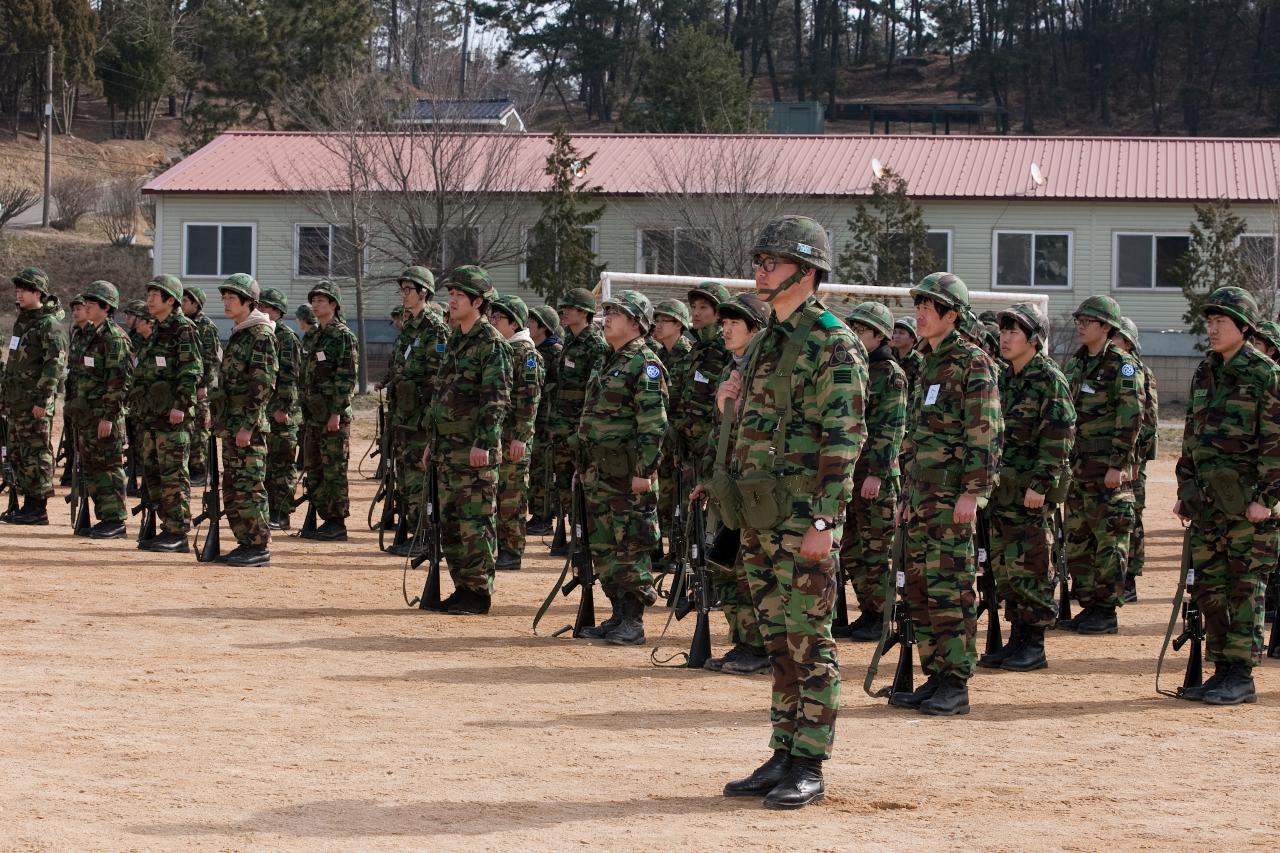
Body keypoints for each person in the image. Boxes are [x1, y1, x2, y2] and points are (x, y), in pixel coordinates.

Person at [720, 216, 865, 810]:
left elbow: (845, 436)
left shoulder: (833, 342)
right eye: (758, 259)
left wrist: (825, 522)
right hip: (762, 511)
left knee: (809, 638)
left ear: (805, 272)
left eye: (771, 262)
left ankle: (810, 760)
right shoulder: (766, 340)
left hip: (804, 515)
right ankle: (783, 750)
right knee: (777, 637)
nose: (759, 271)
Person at [889, 272, 1001, 716]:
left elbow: (986, 432)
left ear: (951, 315)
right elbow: (915, 439)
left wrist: (973, 492)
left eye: (927, 307)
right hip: (921, 499)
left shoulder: (972, 362)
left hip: (952, 499)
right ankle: (935, 675)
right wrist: (905, 496)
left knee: (951, 589)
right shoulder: (928, 362)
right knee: (919, 589)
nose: (918, 314)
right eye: (917, 305)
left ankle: (956, 681)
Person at [1174, 287, 1280, 705]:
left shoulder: (1265, 374)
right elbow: (1190, 438)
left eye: (1221, 321)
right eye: (1210, 321)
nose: (1213, 328)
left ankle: (1241, 674)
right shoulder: (1206, 371)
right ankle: (1221, 670)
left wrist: (1268, 498)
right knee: (1211, 590)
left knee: (1243, 589)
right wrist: (1185, 488)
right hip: (1208, 506)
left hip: (1248, 507)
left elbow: (1276, 442)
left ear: (1243, 327)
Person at [979, 302, 1074, 672]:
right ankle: (1017, 638)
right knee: (1007, 568)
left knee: (1032, 566)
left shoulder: (1049, 379)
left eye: (1013, 332)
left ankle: (1033, 644)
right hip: (1004, 492)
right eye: (1002, 331)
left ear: (1034, 339)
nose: (1004, 338)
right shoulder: (1006, 378)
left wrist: (1041, 484)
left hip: (1030, 495)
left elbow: (1059, 436)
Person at [573, 290, 669, 645]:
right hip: (600, 474)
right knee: (605, 548)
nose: (607, 318)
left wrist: (645, 471)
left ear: (636, 323)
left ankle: (634, 620)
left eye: (616, 313)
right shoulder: (607, 360)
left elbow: (654, 425)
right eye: (607, 311)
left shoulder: (645, 365)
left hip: (629, 477)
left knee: (630, 544)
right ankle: (617, 614)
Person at [422, 266, 512, 615]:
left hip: (473, 450)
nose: (453, 300)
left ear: (478, 301)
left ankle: (478, 592)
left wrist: (484, 444)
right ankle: (461, 587)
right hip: (448, 449)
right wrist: (434, 441)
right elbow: (443, 397)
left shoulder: (491, 344)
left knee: (475, 522)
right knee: (452, 523)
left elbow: (496, 399)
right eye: (451, 294)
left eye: (460, 295)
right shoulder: (456, 338)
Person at [1059, 295, 1143, 635]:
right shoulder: (1076, 364)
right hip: (1078, 468)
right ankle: (1090, 605)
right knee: (1080, 540)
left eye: (1088, 321)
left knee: (1109, 540)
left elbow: (1131, 416)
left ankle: (1106, 610)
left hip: (1106, 468)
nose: (1081, 326)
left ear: (1106, 328)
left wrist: (1118, 464)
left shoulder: (1121, 365)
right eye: (1079, 320)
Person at [697, 292, 771, 675]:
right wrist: (709, 480)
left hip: (755, 487)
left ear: (755, 329)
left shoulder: (765, 370)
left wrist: (736, 408)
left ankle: (758, 647)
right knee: (725, 563)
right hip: (729, 483)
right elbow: (720, 434)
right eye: (723, 323)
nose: (724, 329)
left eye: (734, 324)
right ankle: (743, 642)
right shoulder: (734, 368)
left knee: (750, 569)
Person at [837, 302, 904, 642]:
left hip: (875, 476)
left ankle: (883, 615)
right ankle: (869, 609)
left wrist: (878, 472)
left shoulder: (889, 373)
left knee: (877, 549)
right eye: (854, 328)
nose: (856, 334)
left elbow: (890, 428)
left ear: (880, 335)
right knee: (852, 545)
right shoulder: (855, 366)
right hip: (851, 471)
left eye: (862, 330)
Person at [129, 273, 203, 552]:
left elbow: (192, 371)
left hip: (172, 418)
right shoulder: (156, 330)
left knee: (173, 476)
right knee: (154, 475)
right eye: (148, 295)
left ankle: (178, 532)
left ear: (170, 300)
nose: (149, 300)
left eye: (154, 296)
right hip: (151, 417)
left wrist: (180, 406)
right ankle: (166, 527)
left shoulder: (183, 330)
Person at [210, 274, 278, 566]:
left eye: (232, 299)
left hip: (247, 427)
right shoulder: (240, 332)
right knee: (234, 484)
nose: (226, 303)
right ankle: (245, 541)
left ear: (248, 302)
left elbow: (262, 384)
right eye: (224, 298)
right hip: (232, 423)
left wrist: (247, 425)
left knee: (249, 485)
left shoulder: (260, 335)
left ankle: (258, 545)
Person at [384, 267, 449, 558]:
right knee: (405, 478)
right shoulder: (408, 327)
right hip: (403, 416)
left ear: (424, 292)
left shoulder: (435, 329)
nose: (404, 295)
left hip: (420, 419)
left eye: (409, 289)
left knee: (420, 479)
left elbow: (438, 379)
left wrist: (428, 418)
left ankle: (424, 535)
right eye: (402, 290)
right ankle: (414, 532)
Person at [65, 281, 133, 539]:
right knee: (92, 468)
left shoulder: (113, 337)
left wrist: (108, 416)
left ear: (106, 307)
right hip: (87, 416)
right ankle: (103, 516)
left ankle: (114, 519)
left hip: (105, 417)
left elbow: (119, 381)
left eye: (92, 303)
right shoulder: (90, 334)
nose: (87, 306)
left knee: (109, 467)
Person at [1, 267, 68, 525]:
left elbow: (54, 365)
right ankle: (25, 504)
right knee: (19, 453)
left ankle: (38, 508)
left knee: (37, 453)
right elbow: (14, 363)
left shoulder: (48, 325)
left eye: (22, 291)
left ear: (37, 292)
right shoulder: (23, 322)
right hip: (18, 403)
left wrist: (42, 400)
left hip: (35, 404)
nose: (18, 295)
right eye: (17, 291)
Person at [547, 287, 610, 556]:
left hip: (579, 428)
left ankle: (586, 538)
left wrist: (581, 429)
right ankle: (574, 533)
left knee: (583, 483)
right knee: (564, 484)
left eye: (570, 308)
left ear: (584, 313)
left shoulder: (596, 346)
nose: (565, 312)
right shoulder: (568, 342)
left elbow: (594, 392)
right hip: (561, 426)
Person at [297, 280, 358, 542]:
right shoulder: (312, 335)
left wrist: (336, 412)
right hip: (313, 415)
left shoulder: (343, 336)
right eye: (314, 299)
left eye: (321, 300)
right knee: (314, 467)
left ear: (333, 304)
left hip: (332, 417)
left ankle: (337, 522)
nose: (316, 304)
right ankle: (324, 516)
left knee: (333, 469)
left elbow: (346, 378)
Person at [490, 294, 544, 571]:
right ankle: (500, 546)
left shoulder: (527, 355)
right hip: (501, 436)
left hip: (515, 438)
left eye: (498, 317)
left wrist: (521, 437)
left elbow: (529, 400)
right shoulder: (503, 349)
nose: (493, 320)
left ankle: (511, 550)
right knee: (498, 494)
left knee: (512, 496)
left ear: (514, 323)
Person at [1114, 317, 1158, 602]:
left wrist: (1134, 460)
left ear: (1127, 342)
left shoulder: (1137, 371)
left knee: (1131, 519)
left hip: (1132, 461)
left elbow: (1148, 422)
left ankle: (1129, 577)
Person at [649, 298, 694, 562]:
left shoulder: (688, 355)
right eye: (656, 319)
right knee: (662, 500)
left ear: (678, 324)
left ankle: (679, 554)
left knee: (679, 499)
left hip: (679, 440)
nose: (657, 324)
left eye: (663, 320)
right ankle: (665, 551)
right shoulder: (658, 355)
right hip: (660, 439)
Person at [258, 288, 302, 530]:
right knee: (266, 465)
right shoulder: (262, 333)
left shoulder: (286, 337)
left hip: (281, 414)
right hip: (264, 411)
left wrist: (283, 407)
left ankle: (282, 513)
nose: (260, 311)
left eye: (264, 307)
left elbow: (291, 375)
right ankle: (268, 510)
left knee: (282, 466)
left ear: (276, 310)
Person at [526, 305, 563, 535]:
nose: (527, 324)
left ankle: (544, 516)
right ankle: (538, 513)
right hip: (537, 421)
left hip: (548, 421)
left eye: (532, 321)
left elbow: (559, 390)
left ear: (543, 327)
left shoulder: (555, 352)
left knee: (545, 470)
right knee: (537, 468)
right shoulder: (535, 351)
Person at [182, 286, 221, 487]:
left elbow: (211, 358)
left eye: (185, 301)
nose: (182, 304)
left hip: (201, 386)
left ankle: (201, 469)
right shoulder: (183, 324)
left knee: (200, 428)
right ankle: (190, 466)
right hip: (187, 383)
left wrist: (204, 384)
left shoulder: (206, 326)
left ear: (196, 304)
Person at [60, 294, 91, 487]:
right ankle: (71, 468)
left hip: (87, 399)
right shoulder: (76, 333)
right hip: (73, 395)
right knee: (71, 436)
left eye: (79, 308)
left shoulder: (94, 334)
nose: (75, 313)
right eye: (73, 309)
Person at [891, 315, 924, 408]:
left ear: (913, 338)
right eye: (895, 332)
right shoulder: (890, 356)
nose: (896, 336)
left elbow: (918, 392)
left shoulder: (918, 361)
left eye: (901, 333)